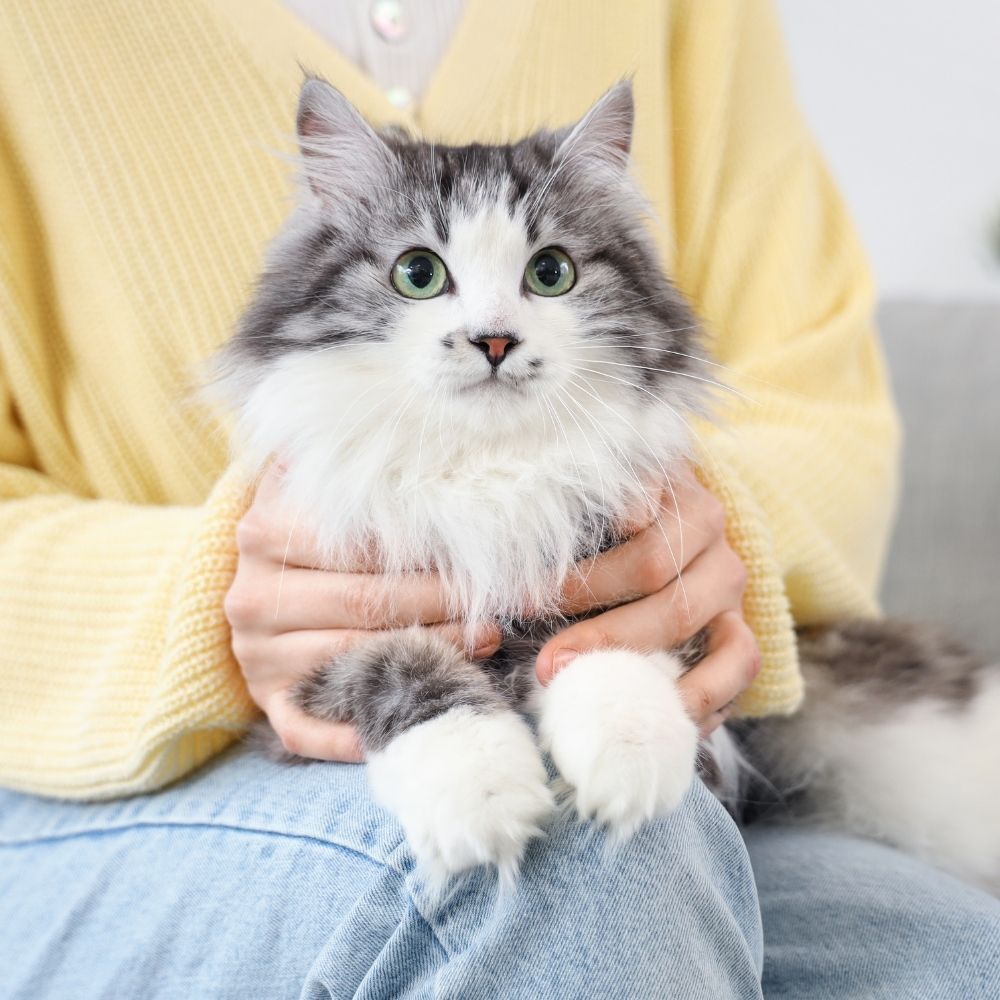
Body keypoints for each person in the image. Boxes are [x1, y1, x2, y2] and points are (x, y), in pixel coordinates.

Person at [0, 1, 996, 996]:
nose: (490, 329)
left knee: (948, 957)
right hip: (94, 773)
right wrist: (216, 595)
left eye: (547, 272)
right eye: (420, 274)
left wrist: (671, 546)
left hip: (694, 732)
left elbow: (826, 412)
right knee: (578, 868)